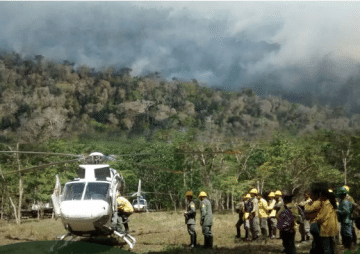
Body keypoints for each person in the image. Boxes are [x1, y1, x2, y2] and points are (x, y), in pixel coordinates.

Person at [312, 183, 338, 254]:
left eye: (321, 196)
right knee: (331, 245)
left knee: (326, 247)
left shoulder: (326, 204)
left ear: (324, 196)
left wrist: (316, 221)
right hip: (332, 228)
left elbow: (322, 216)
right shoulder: (330, 203)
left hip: (326, 228)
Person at [276, 190, 298, 254]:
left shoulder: (283, 207)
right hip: (293, 227)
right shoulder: (294, 207)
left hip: (284, 228)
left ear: (284, 200)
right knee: (291, 242)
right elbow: (296, 216)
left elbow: (278, 216)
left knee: (286, 242)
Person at [336, 186, 353, 251]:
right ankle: (346, 246)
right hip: (343, 220)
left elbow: (346, 211)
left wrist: (338, 211)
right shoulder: (342, 201)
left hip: (346, 220)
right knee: (343, 233)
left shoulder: (345, 202)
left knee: (347, 234)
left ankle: (348, 247)